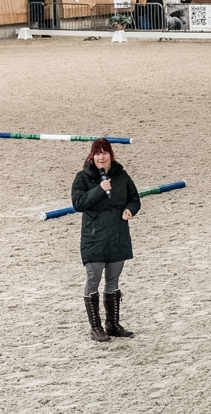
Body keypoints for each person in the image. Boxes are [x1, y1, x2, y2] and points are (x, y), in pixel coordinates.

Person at [71, 138, 141, 343]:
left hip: (118, 235)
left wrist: (130, 210)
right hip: (94, 238)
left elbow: (134, 198)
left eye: (105, 152)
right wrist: (100, 189)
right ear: (92, 156)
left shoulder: (121, 175)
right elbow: (78, 203)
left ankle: (113, 324)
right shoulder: (82, 177)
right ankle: (96, 327)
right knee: (93, 280)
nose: (101, 157)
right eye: (97, 153)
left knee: (113, 281)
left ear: (111, 155)